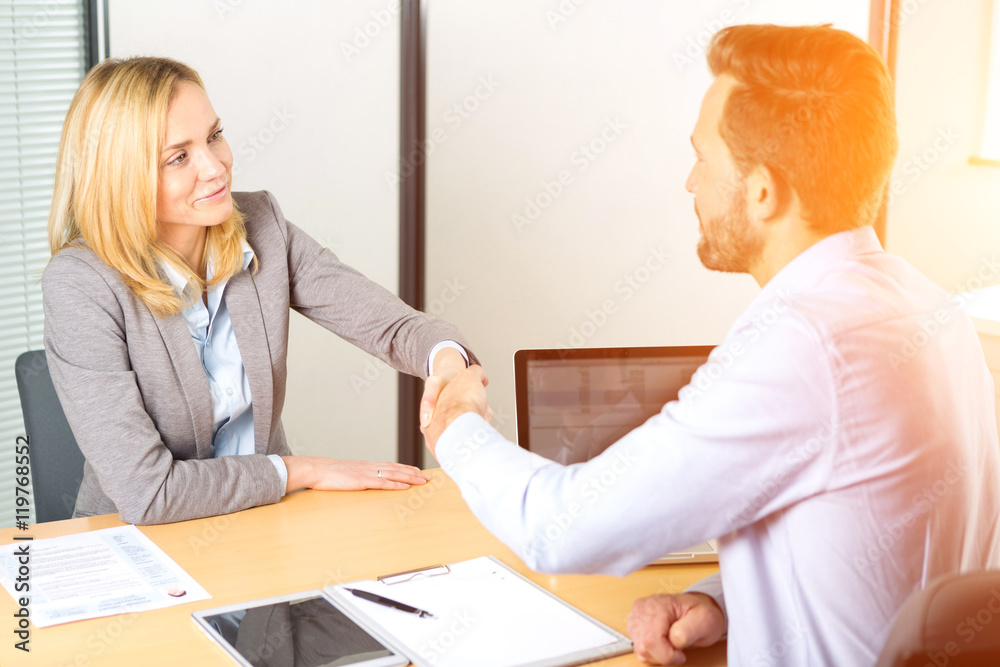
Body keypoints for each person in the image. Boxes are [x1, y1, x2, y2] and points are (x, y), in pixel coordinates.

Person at [420, 24, 1000, 666]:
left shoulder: (803, 346)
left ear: (762, 191)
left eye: (703, 158)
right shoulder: (932, 309)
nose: (690, 182)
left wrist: (458, 424)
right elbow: (888, 553)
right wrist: (722, 601)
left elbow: (558, 528)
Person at [43, 56, 482, 526]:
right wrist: (304, 470)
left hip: (259, 526)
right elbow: (149, 494)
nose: (215, 167)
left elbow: (393, 326)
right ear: (120, 177)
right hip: (136, 544)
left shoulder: (262, 225)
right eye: (179, 157)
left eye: (214, 135)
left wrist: (448, 369)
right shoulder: (81, 284)